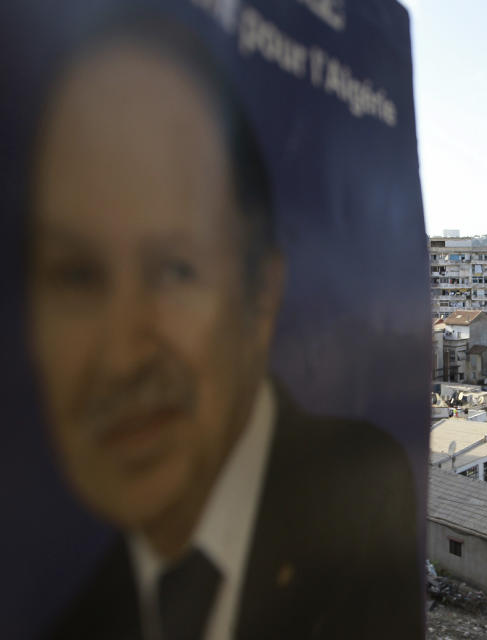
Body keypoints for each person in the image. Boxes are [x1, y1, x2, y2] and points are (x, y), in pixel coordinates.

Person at [28, 16, 422, 640]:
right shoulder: (72, 611)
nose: (123, 356)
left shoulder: (361, 498)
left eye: (176, 269)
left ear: (261, 295)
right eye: (77, 276)